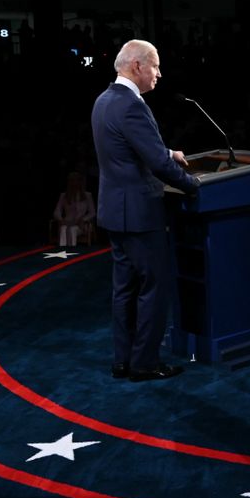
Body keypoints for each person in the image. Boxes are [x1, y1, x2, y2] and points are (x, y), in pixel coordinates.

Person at [91, 39, 201, 382]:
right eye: (155, 66)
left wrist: (168, 151)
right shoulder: (133, 106)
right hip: (140, 213)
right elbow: (155, 163)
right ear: (137, 66)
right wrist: (194, 185)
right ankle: (145, 363)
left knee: (124, 289)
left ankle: (123, 360)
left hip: (114, 211)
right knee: (154, 287)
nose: (159, 74)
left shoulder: (104, 100)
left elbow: (128, 147)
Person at [52, 171, 96, 246]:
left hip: (81, 224)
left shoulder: (87, 195)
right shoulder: (64, 196)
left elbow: (92, 213)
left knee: (73, 230)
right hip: (67, 222)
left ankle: (72, 251)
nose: (74, 183)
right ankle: (63, 250)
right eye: (72, 181)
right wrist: (60, 219)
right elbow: (57, 211)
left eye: (76, 181)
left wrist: (83, 219)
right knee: (63, 229)